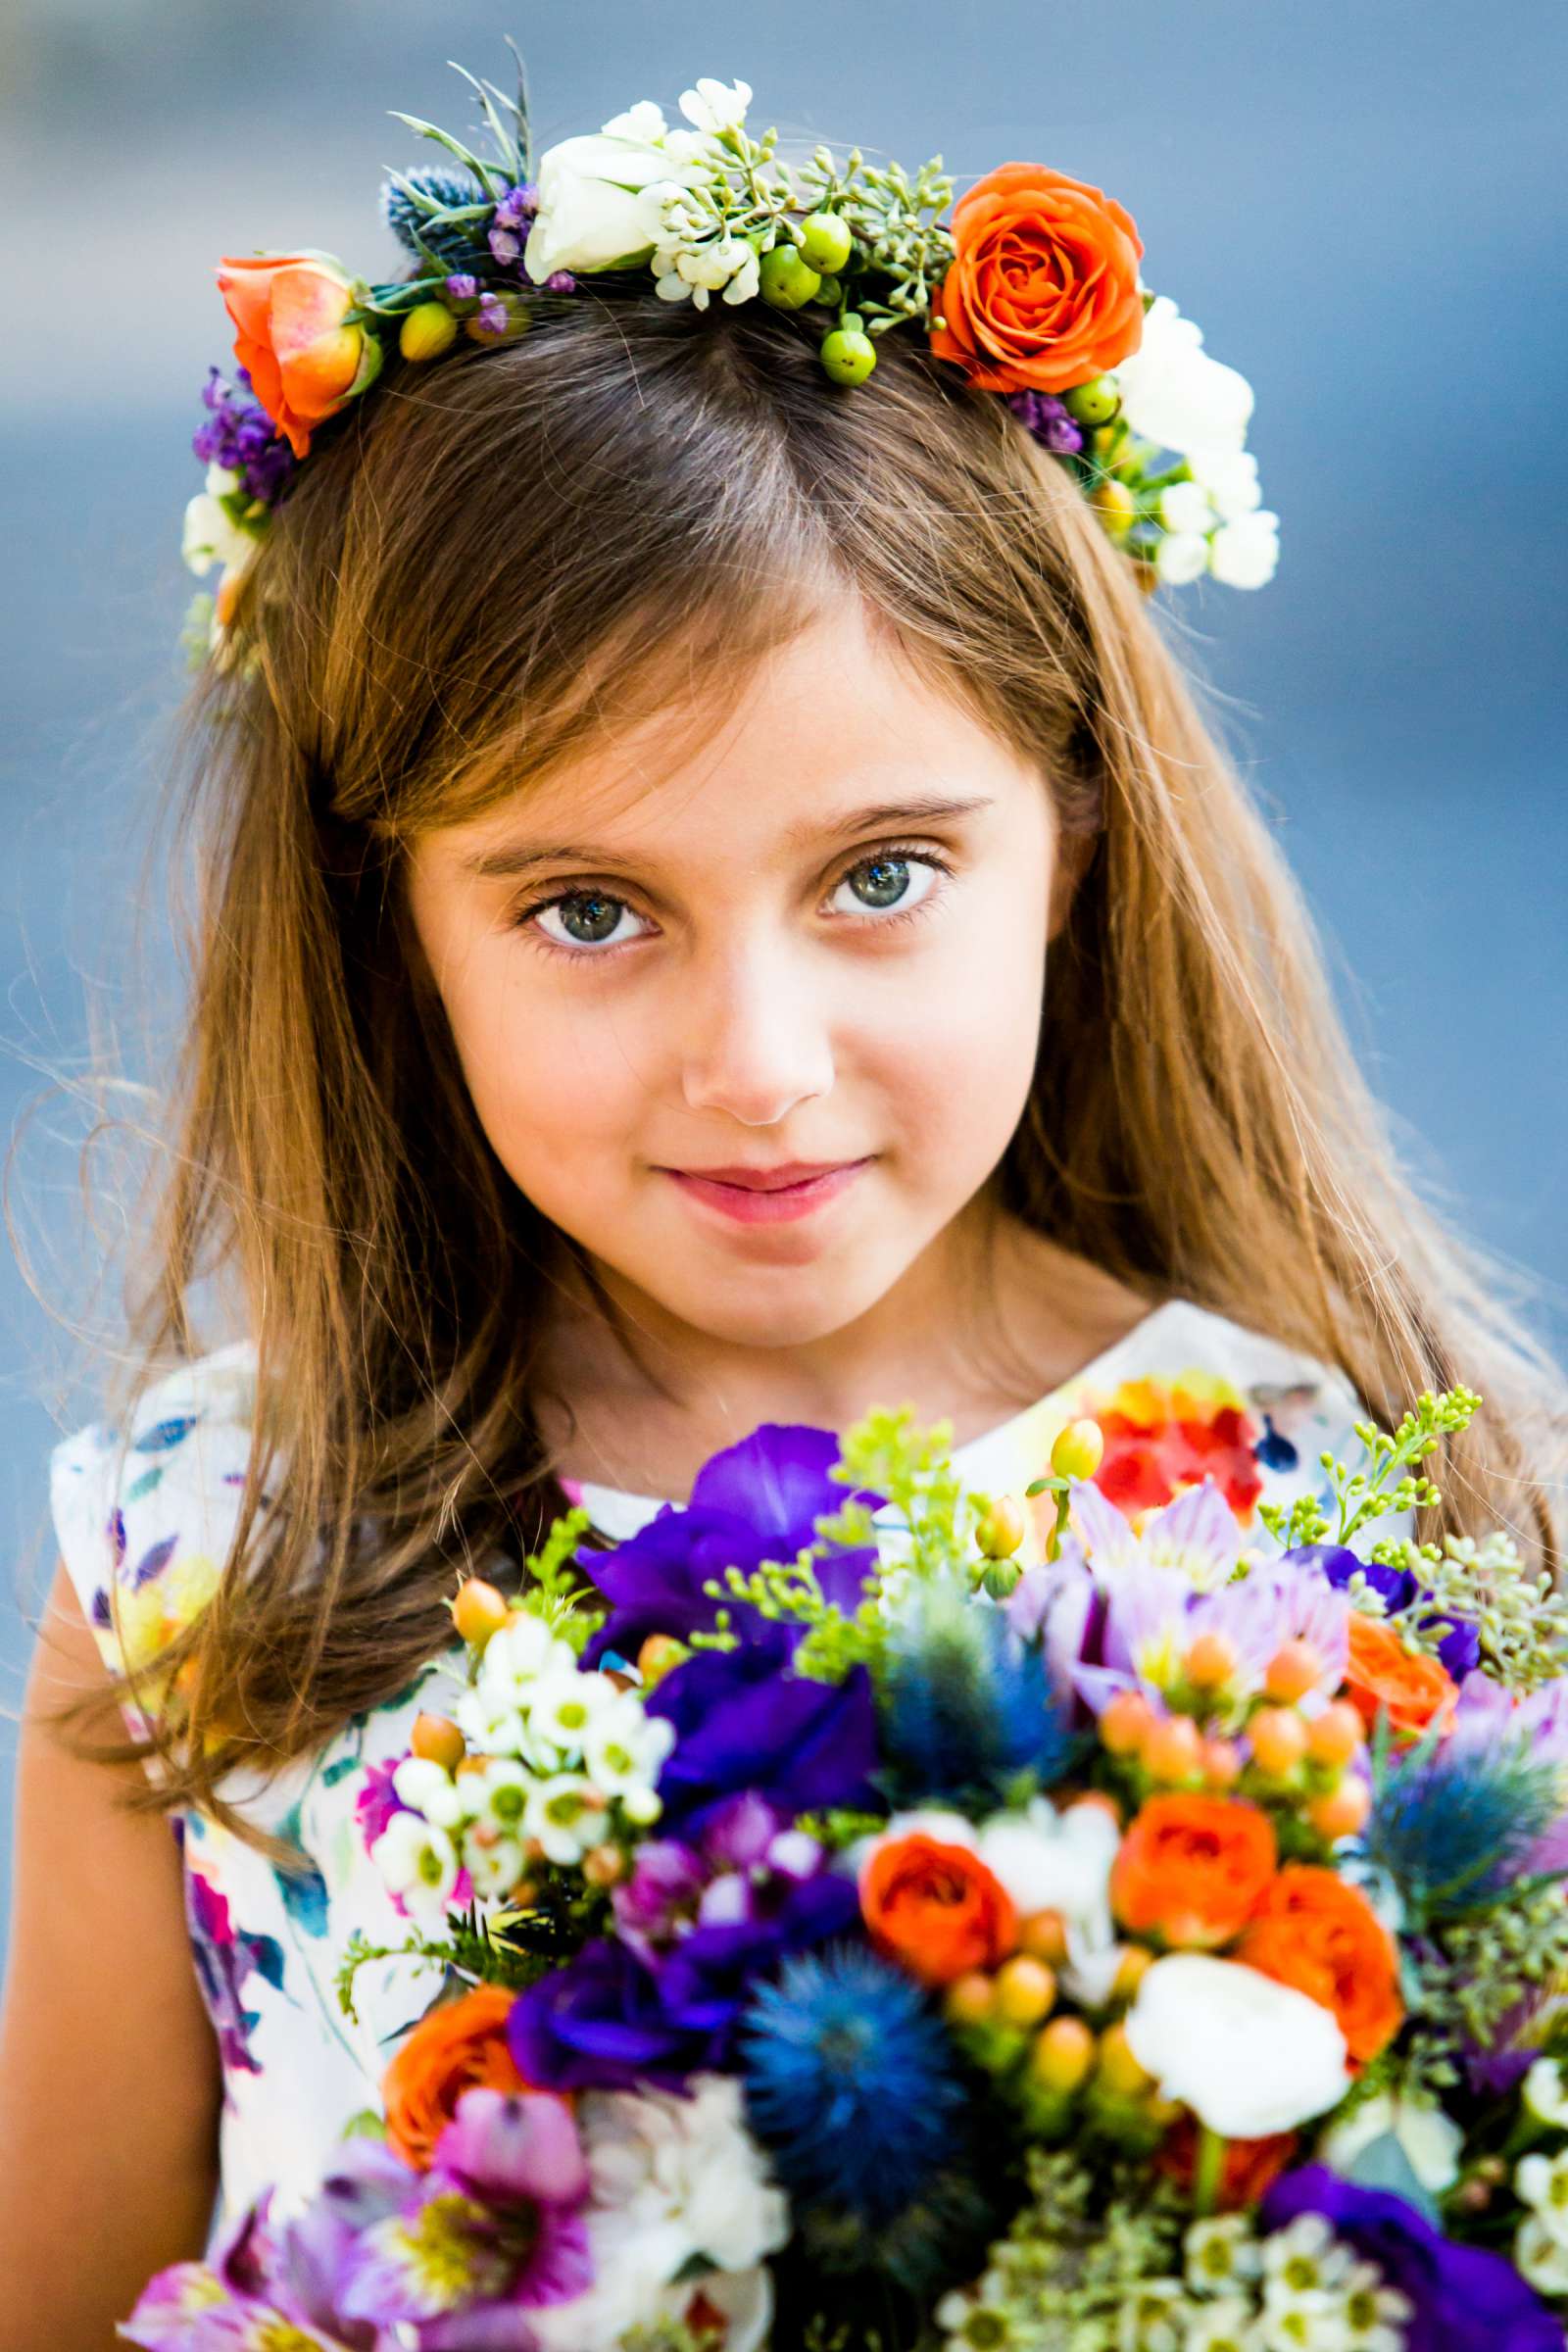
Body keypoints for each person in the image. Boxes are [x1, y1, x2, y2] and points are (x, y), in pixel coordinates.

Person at [1, 58, 1561, 2350]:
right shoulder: (215, 1553)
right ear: (389, 931)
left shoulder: (1387, 1505)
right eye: (588, 911)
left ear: (1077, 848)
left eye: (880, 877)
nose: (758, 1061)